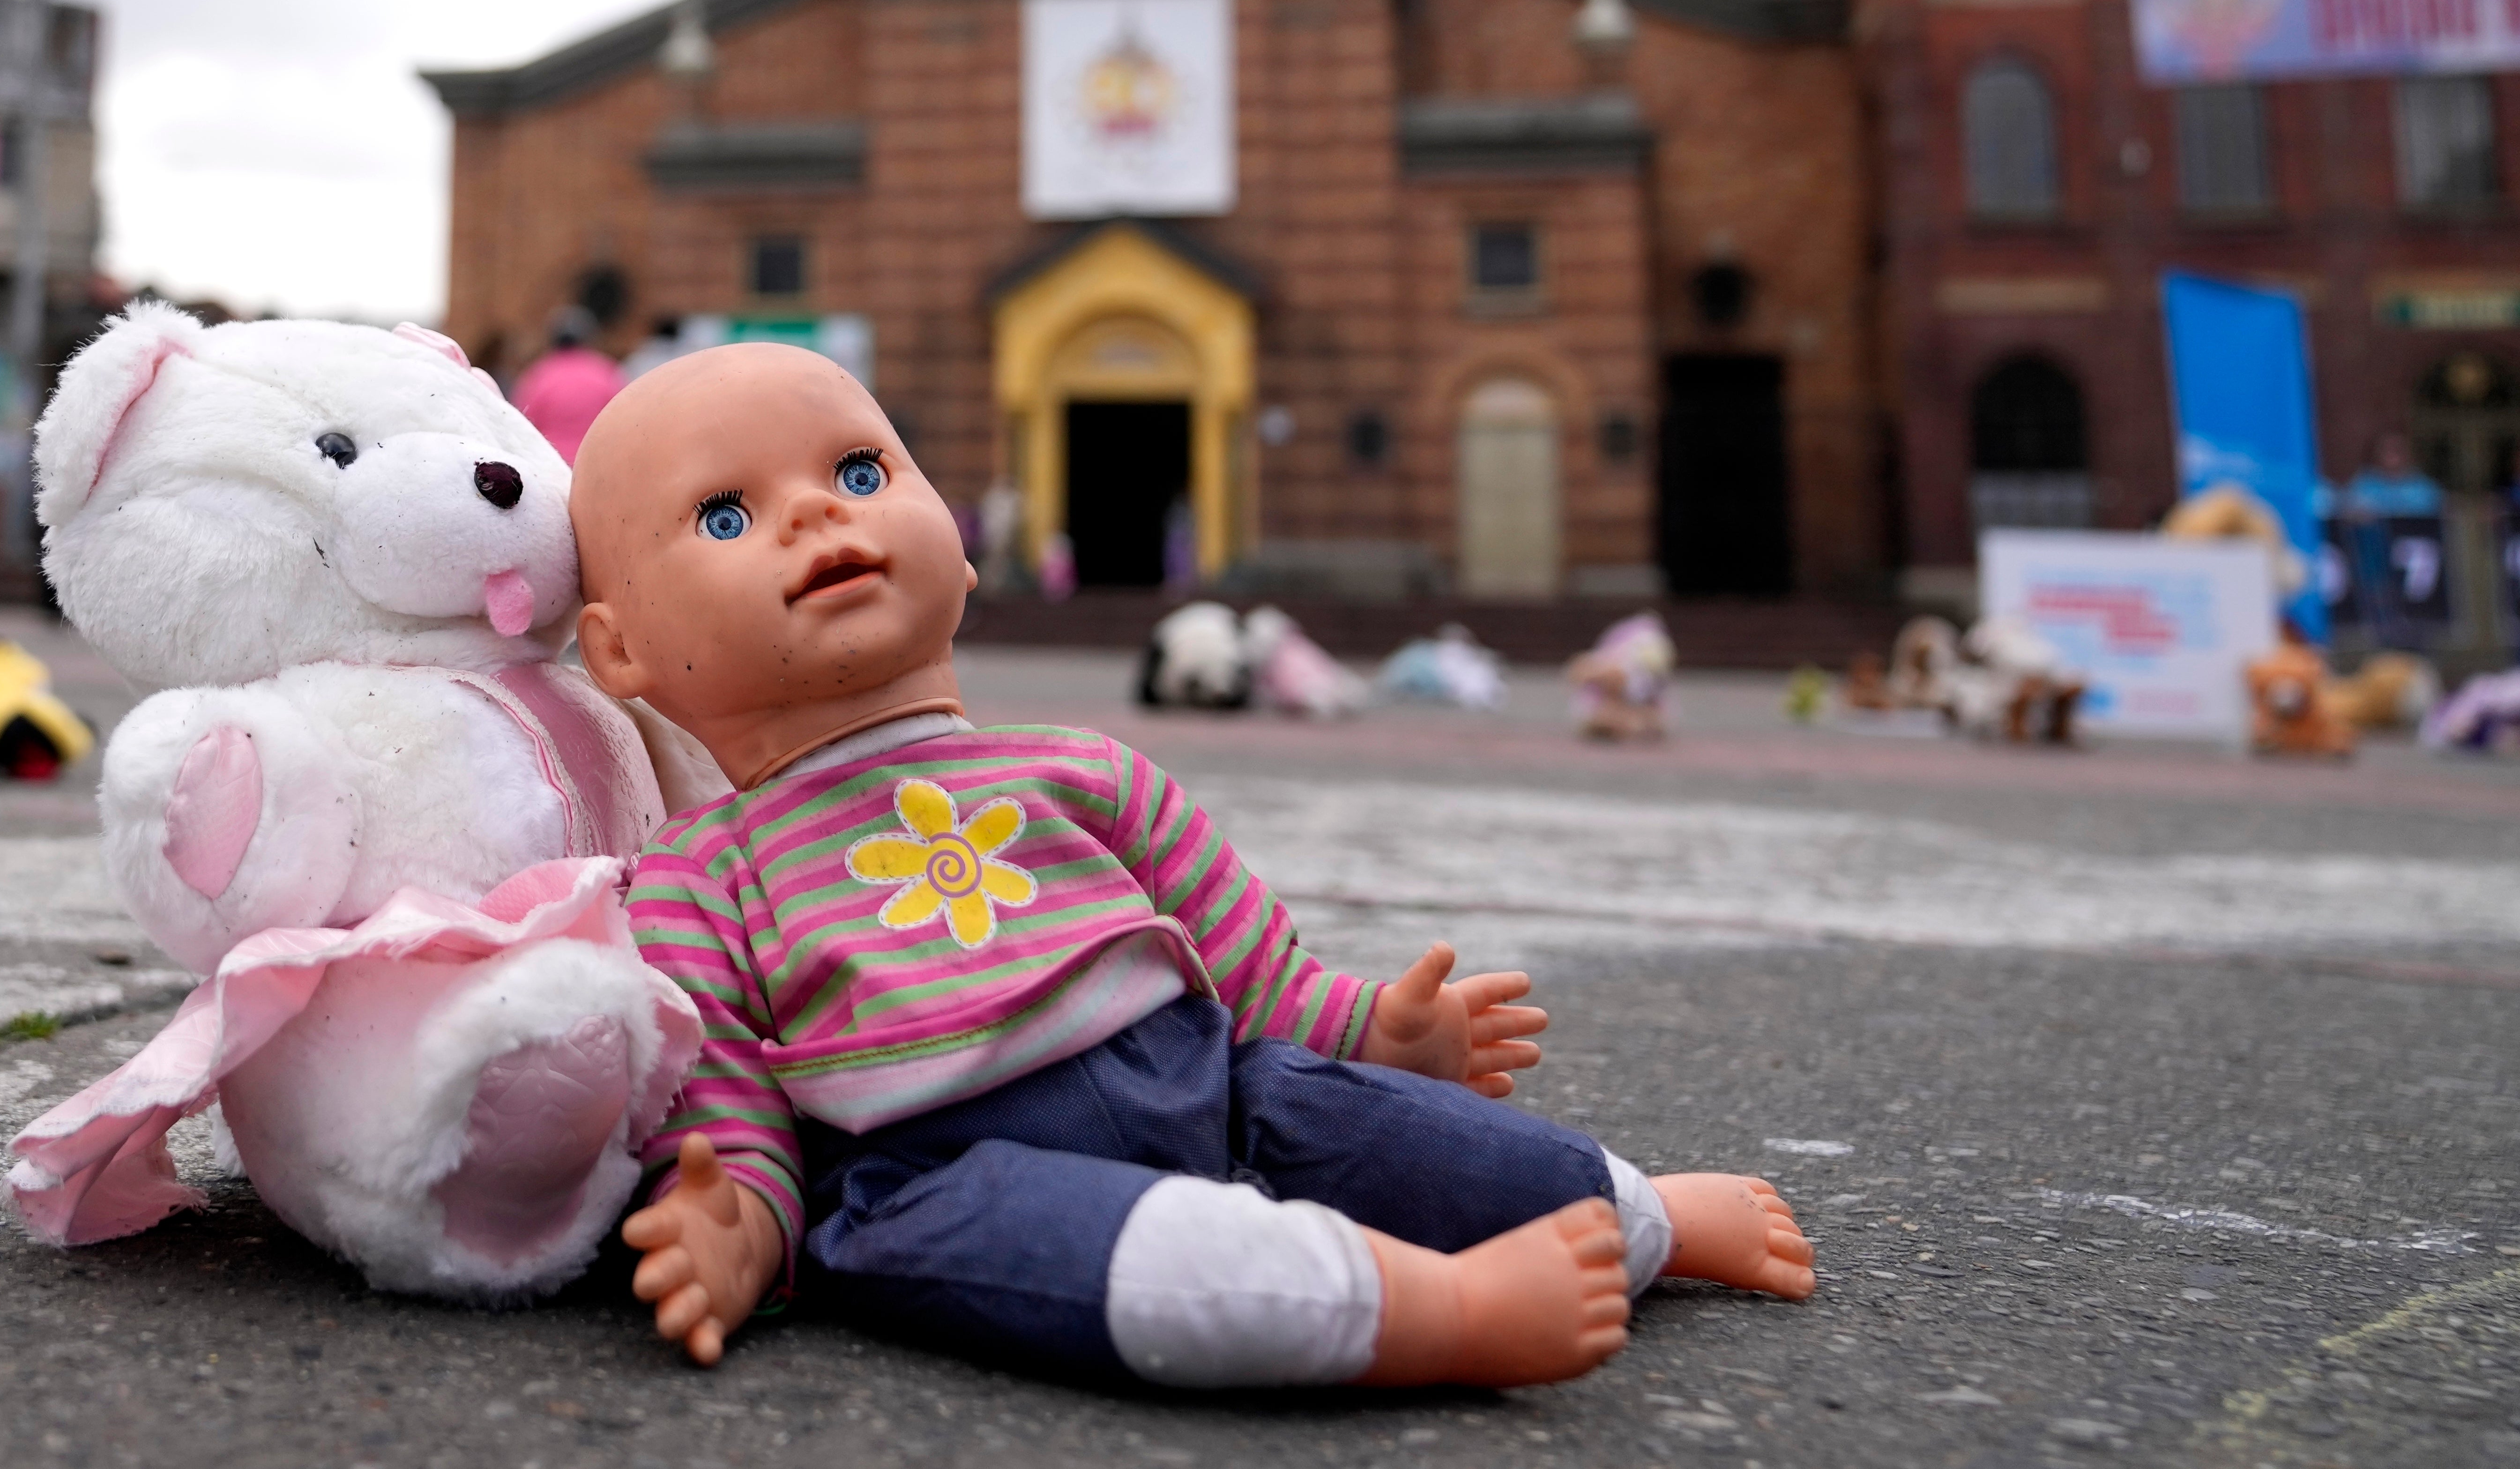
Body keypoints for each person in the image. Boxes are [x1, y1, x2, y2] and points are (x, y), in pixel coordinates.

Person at [571, 342, 1812, 1388]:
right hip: (937, 1168)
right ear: (620, 650)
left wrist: (1379, 1028)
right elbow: (726, 1094)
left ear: (960, 544)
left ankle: (1653, 1217)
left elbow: (1250, 957)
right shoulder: (701, 873)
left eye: (859, 469)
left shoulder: (1082, 768)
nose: (817, 512)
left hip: (1206, 1077)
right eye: (725, 514)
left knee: (1416, 1136)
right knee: (1139, 1258)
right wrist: (736, 1223)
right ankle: (1436, 1315)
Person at [507, 306, 627, 463]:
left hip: (551, 464)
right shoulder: (606, 371)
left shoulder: (539, 374)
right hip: (595, 462)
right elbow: (623, 419)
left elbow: (520, 422)